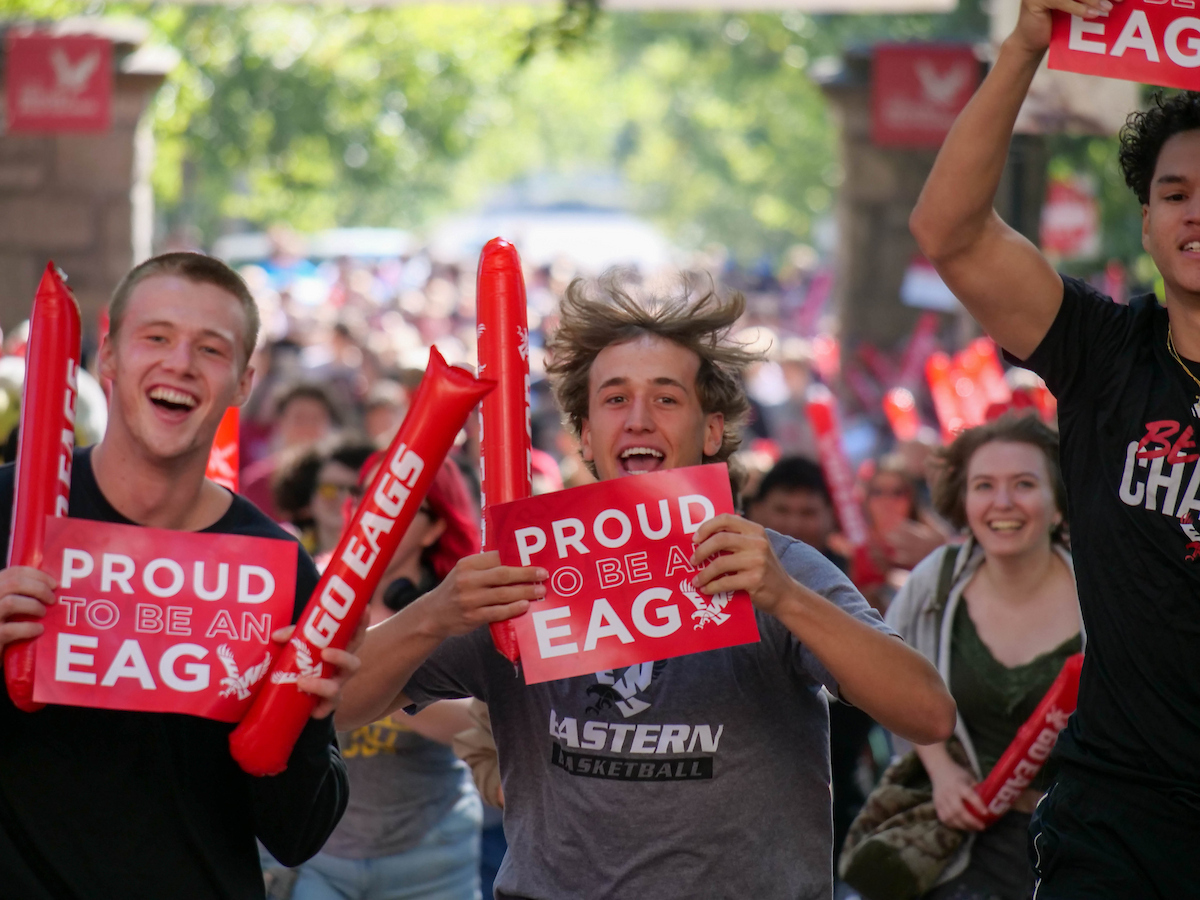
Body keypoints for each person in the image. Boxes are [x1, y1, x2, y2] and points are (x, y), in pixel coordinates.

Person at [338, 275, 957, 899]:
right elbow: (333, 709)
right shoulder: (520, 576)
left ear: (711, 431)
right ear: (584, 434)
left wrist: (787, 599)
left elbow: (928, 714)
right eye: (615, 399)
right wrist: (435, 615)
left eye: (666, 398)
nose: (638, 420)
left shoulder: (772, 567)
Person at [909, 0, 1200, 888]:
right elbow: (950, 233)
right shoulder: (1104, 353)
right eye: (1176, 195)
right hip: (1116, 820)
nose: (1197, 214)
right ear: (1145, 223)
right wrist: (1024, 46)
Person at [0, 252, 356, 899]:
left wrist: (301, 720)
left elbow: (297, 835)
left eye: (210, 349)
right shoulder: (7, 511)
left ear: (243, 383)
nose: (181, 364)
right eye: (157, 337)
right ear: (109, 356)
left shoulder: (273, 566)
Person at [887, 414, 1082, 900]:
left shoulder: (1100, 590)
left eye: (1024, 484)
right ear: (963, 500)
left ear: (1058, 504)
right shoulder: (935, 581)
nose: (1003, 502)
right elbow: (887, 681)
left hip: (1080, 850)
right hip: (959, 855)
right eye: (984, 485)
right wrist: (940, 770)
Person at [291, 457, 483, 900]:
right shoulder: (315, 593)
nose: (377, 515)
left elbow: (479, 723)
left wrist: (379, 678)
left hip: (431, 854)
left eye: (400, 504)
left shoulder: (459, 609)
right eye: (368, 498)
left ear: (435, 528)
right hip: (322, 856)